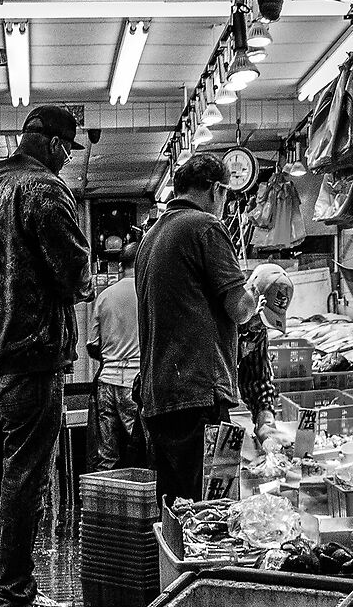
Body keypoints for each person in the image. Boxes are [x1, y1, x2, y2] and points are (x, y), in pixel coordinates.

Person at [0, 104, 92, 607]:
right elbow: (76, 275)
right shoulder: (45, 191)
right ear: (56, 146)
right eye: (66, 151)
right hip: (29, 361)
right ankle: (15, 597)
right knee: (24, 479)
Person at [135, 153, 261, 506]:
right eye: (226, 194)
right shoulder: (205, 226)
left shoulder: (151, 237)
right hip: (197, 393)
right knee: (205, 509)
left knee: (175, 509)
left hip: (159, 398)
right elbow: (238, 309)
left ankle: (172, 564)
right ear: (216, 189)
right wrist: (257, 294)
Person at [88, 237, 147, 470]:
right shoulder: (146, 293)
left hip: (106, 383)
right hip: (136, 386)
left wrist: (111, 357)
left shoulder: (104, 296)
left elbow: (92, 345)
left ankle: (104, 503)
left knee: (107, 457)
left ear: (121, 266)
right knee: (142, 452)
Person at [239, 261, 293, 449]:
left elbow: (257, 379)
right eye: (260, 318)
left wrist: (266, 422)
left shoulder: (257, 332)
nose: (260, 327)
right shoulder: (218, 322)